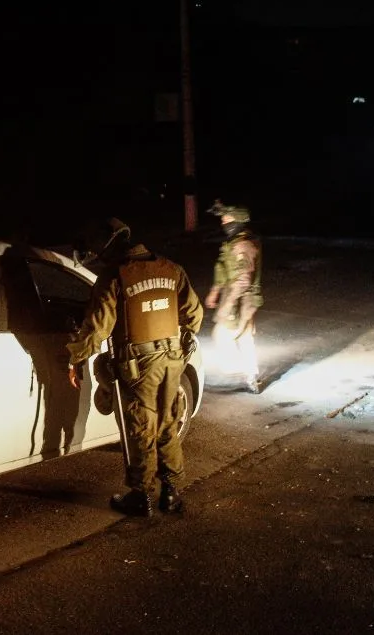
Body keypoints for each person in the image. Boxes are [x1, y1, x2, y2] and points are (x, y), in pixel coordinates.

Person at [67, 217, 204, 516]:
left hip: (138, 364)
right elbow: (194, 313)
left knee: (141, 427)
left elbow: (97, 328)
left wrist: (76, 357)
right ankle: (170, 492)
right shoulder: (170, 269)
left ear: (106, 246)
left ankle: (141, 496)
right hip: (171, 359)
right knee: (168, 421)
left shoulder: (115, 276)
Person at [204, 200, 264, 393]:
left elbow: (243, 280)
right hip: (236, 296)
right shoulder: (234, 242)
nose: (223, 223)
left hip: (241, 298)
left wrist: (228, 303)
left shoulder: (243, 245)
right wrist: (215, 291)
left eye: (227, 219)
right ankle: (250, 375)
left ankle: (241, 371)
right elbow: (223, 268)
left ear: (238, 221)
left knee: (222, 334)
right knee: (244, 335)